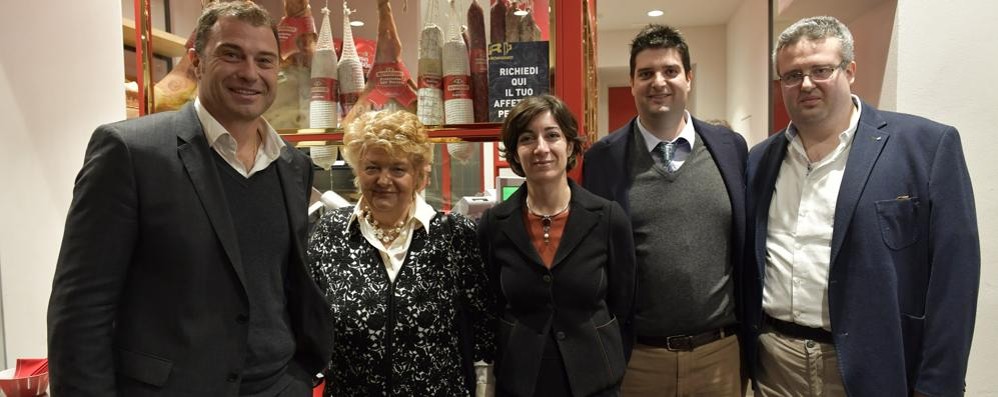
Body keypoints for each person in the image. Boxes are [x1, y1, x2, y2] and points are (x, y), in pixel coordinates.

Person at [47, 2, 334, 395]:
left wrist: (298, 377)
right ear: (197, 61)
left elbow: (282, 285)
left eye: (264, 60)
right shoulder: (131, 153)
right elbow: (81, 311)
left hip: (278, 387)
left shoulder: (293, 166)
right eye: (231, 54)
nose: (250, 73)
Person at [744, 16, 980, 397]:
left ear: (850, 71)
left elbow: (956, 279)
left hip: (875, 364)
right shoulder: (760, 160)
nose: (805, 84)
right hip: (776, 364)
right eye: (791, 75)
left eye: (821, 70)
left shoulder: (925, 148)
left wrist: (939, 384)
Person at [583, 25, 748, 396]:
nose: (659, 82)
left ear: (688, 78)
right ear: (632, 82)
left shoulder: (730, 148)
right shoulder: (602, 160)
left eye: (671, 71)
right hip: (639, 359)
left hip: (719, 354)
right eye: (646, 73)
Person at [306, 109, 495, 396]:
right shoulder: (331, 232)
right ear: (358, 171)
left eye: (397, 169)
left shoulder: (455, 235)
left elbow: (484, 332)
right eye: (372, 168)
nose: (383, 180)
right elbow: (309, 320)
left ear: (419, 175)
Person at [478, 94, 636, 397]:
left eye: (552, 135)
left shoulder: (608, 218)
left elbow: (623, 304)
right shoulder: (494, 224)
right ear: (515, 152)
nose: (541, 148)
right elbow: (493, 303)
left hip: (595, 380)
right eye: (527, 138)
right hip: (520, 380)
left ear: (571, 145)